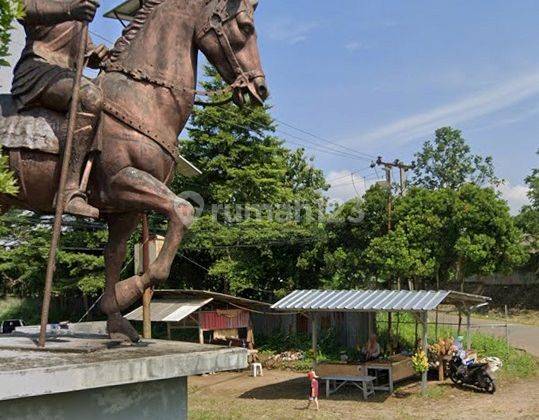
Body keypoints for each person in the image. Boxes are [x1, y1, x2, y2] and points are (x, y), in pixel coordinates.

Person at [11, 0, 109, 218]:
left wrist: (96, 55)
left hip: (67, 76)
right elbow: (23, 10)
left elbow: (84, 50)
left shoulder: (78, 7)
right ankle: (68, 191)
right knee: (89, 97)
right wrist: (70, 10)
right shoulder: (69, 5)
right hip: (38, 70)